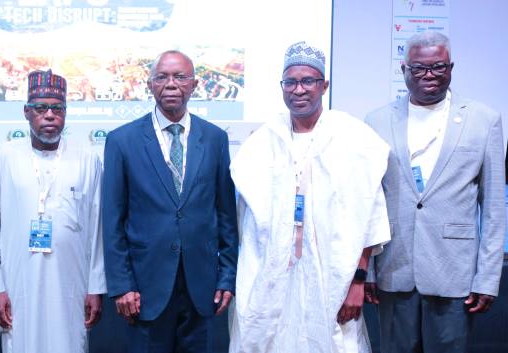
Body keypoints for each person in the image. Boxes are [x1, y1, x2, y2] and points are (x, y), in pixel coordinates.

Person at [228, 42, 391, 353]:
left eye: (308, 81)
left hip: (333, 275)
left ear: (324, 85)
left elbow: (369, 215)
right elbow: (244, 222)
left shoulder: (354, 138)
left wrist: (358, 280)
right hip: (273, 278)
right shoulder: (261, 142)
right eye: (290, 82)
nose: (298, 90)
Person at [364, 31, 505, 353]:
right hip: (394, 268)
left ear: (451, 68)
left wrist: (487, 278)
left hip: (454, 273)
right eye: (419, 68)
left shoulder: (483, 120)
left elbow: (495, 208)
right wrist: (368, 269)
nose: (429, 75)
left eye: (438, 67)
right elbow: (369, 201)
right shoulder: (377, 121)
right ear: (404, 70)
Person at [102, 50, 238, 353]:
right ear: (150, 85)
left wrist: (227, 277)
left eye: (180, 76)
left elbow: (226, 214)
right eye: (162, 77)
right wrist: (122, 285)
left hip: (201, 287)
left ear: (195, 84)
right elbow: (112, 221)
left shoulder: (215, 138)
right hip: (145, 290)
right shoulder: (122, 140)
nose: (171, 84)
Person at [0, 69, 106, 353]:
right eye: (41, 108)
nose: (49, 115)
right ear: (26, 112)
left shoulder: (87, 159)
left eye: (57, 108)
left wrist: (96, 287)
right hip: (17, 281)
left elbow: (97, 228)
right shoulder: (4, 158)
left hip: (71, 282)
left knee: (70, 342)